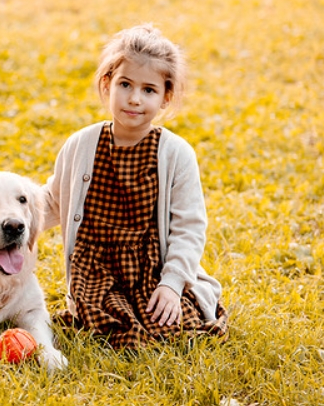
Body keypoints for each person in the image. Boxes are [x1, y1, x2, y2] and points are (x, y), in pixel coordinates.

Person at [43, 24, 228, 349]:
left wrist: (171, 285)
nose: (134, 99)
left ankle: (169, 298)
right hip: (96, 271)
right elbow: (50, 202)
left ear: (165, 97)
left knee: (172, 327)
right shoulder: (81, 145)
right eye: (125, 84)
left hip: (151, 271)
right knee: (105, 328)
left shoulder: (175, 153)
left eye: (149, 90)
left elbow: (189, 228)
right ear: (107, 83)